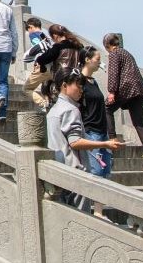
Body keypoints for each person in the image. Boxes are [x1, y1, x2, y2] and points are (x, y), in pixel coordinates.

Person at [47, 70, 125, 211]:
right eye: (78, 86)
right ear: (65, 85)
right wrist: (105, 143)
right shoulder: (71, 110)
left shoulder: (53, 111)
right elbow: (75, 142)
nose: (81, 90)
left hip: (58, 171)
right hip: (75, 174)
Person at [103, 31, 143, 154]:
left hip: (126, 88)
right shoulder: (126, 53)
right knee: (138, 120)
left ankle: (112, 138)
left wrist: (112, 91)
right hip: (139, 89)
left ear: (107, 45)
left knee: (106, 108)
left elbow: (113, 73)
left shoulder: (114, 53)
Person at [77, 47, 114, 205]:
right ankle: (96, 211)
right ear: (87, 59)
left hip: (101, 130)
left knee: (105, 171)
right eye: (97, 59)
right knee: (96, 171)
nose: (100, 63)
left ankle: (99, 210)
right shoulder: (79, 80)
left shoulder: (94, 81)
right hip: (90, 130)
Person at [22, 17, 55, 102]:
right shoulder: (47, 35)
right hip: (52, 66)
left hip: (42, 66)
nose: (28, 32)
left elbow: (39, 47)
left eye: (28, 29)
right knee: (46, 90)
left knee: (26, 89)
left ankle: (44, 104)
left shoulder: (33, 35)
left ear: (31, 27)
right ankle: (50, 103)